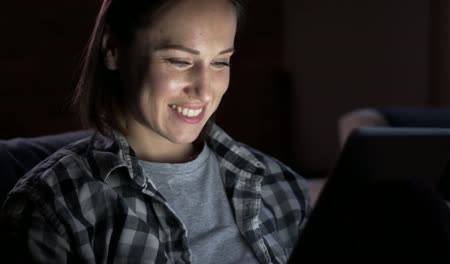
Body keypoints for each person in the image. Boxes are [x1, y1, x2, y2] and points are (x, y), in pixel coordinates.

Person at [1, 0, 312, 263]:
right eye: (179, 61)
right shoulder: (52, 206)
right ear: (113, 50)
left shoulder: (282, 186)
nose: (204, 90)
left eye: (220, 62)